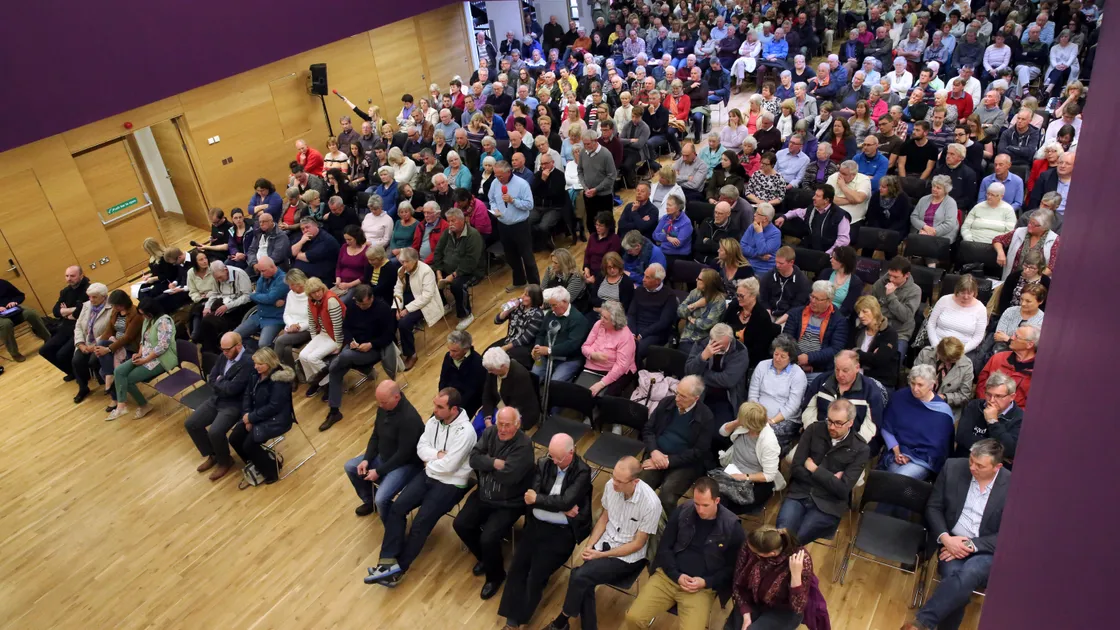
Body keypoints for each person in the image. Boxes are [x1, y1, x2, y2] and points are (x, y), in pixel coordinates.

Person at [365, 388, 476, 588]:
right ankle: (387, 562)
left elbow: (450, 466)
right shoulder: (435, 421)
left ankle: (398, 571)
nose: (434, 410)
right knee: (397, 509)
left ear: (454, 409)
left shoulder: (466, 432)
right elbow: (421, 447)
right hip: (429, 475)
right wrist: (438, 456)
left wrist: (431, 461)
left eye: (440, 407)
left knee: (420, 524)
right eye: (435, 404)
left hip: (451, 483)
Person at [902, 440, 1010, 630]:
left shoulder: (1012, 486)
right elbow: (934, 507)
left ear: (997, 467)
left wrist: (969, 545)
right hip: (950, 543)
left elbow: (1009, 535)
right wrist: (946, 539)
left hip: (987, 551)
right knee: (955, 580)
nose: (972, 468)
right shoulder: (953, 467)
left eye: (980, 465)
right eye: (971, 461)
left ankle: (922, 622)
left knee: (970, 571)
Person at [544, 456, 661, 630]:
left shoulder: (651, 504)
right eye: (613, 476)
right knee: (585, 580)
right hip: (605, 543)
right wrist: (591, 544)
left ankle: (561, 620)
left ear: (635, 482)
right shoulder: (610, 486)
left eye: (620, 481)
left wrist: (601, 555)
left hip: (626, 557)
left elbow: (637, 544)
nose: (614, 483)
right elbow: (604, 518)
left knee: (579, 575)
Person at [621, 477, 744, 630]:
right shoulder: (683, 511)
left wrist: (706, 582)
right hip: (667, 578)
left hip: (700, 589)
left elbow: (732, 568)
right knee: (633, 618)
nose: (700, 510)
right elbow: (665, 547)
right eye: (696, 504)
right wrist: (676, 575)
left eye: (705, 505)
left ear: (717, 500)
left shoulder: (732, 527)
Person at [499, 432, 593, 629]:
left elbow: (563, 500)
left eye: (559, 457)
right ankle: (510, 618)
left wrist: (542, 500)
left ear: (572, 452)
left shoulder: (583, 472)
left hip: (560, 533)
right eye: (552, 456)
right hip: (536, 526)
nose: (555, 461)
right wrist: (560, 506)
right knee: (517, 566)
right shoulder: (544, 463)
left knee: (536, 575)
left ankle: (519, 618)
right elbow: (530, 498)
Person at [452, 406, 535, 601]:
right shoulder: (490, 433)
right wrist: (495, 463)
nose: (503, 429)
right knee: (461, 524)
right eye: (500, 424)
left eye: (507, 425)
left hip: (509, 501)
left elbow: (509, 477)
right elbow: (473, 459)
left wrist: (486, 462)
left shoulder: (524, 445)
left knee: (488, 538)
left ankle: (496, 576)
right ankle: (486, 558)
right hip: (485, 493)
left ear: (517, 424)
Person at [777, 398, 870, 544]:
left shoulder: (860, 448)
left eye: (838, 423)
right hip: (800, 494)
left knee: (796, 541)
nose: (832, 427)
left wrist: (815, 469)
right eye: (830, 421)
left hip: (828, 504)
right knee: (781, 535)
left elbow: (842, 490)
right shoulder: (814, 430)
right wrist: (831, 479)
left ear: (850, 423)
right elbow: (796, 469)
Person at [343, 379, 423, 518]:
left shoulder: (409, 419)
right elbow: (376, 435)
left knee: (382, 499)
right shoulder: (385, 407)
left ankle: (393, 528)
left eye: (383, 402)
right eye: (379, 402)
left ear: (396, 397)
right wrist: (367, 459)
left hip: (405, 465)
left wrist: (379, 471)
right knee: (351, 466)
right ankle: (370, 502)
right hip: (385, 457)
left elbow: (403, 454)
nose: (380, 405)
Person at [321, 283, 395, 430]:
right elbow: (346, 327)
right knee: (336, 369)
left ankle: (323, 371)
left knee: (342, 358)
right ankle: (334, 411)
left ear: (372, 298)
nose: (361, 307)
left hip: (373, 350)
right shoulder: (353, 306)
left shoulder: (383, 309)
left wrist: (371, 344)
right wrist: (351, 341)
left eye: (365, 304)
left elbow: (389, 336)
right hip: (354, 347)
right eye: (359, 304)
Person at [639, 375, 715, 516]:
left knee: (666, 497)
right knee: (640, 487)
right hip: (657, 455)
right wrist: (655, 452)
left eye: (683, 396)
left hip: (684, 464)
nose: (677, 399)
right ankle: (643, 519)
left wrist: (668, 462)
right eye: (677, 393)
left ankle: (672, 526)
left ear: (696, 398)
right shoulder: (666, 403)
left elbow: (699, 452)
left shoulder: (706, 417)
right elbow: (648, 430)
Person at [183, 331, 253, 481]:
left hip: (234, 404)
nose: (224, 353)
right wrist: (221, 383)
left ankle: (225, 461)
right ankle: (214, 454)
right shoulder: (224, 355)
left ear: (239, 346)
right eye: (222, 349)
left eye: (227, 349)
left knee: (215, 432)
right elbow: (211, 378)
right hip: (216, 399)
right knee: (191, 424)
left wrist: (220, 382)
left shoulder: (248, 362)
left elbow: (233, 389)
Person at [728, 525, 820, 630]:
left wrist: (795, 576)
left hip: (782, 611)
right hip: (753, 598)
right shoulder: (751, 544)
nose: (750, 551)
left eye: (755, 553)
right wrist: (746, 613)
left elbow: (798, 606)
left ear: (771, 553)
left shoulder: (801, 560)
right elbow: (737, 581)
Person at [228, 347, 295, 485]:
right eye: (255, 363)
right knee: (234, 438)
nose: (256, 366)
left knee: (249, 445)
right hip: (256, 415)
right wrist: (247, 416)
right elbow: (247, 395)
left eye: (260, 364)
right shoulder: (255, 374)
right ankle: (256, 463)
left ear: (270, 363)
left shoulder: (279, 381)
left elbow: (273, 407)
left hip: (276, 419)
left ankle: (271, 471)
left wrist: (251, 418)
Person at [877, 364, 955, 481]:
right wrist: (896, 450)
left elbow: (939, 447)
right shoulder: (900, 397)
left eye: (920, 385)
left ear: (932, 385)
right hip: (897, 453)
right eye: (913, 383)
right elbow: (887, 426)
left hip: (923, 460)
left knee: (899, 479)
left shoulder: (942, 412)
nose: (915, 388)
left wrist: (910, 457)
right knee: (890, 476)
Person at [106, 297, 178, 420]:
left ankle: (143, 405)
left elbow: (162, 346)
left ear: (151, 312)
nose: (143, 317)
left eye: (144, 314)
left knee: (127, 379)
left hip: (160, 359)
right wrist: (139, 353)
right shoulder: (147, 320)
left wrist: (145, 360)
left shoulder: (164, 321)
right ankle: (121, 406)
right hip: (145, 355)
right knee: (119, 371)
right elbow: (143, 340)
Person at [801, 350, 885, 444]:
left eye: (845, 370)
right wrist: (815, 435)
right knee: (792, 458)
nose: (840, 375)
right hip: (818, 439)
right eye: (837, 369)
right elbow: (808, 410)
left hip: (853, 444)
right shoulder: (821, 381)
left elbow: (872, 424)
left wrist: (853, 445)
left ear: (857, 368)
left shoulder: (870, 389)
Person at [489, 160, 541, 291]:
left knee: (527, 257)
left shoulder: (522, 184)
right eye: (496, 175)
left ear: (508, 172)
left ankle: (535, 286)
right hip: (503, 224)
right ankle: (519, 281)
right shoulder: (495, 183)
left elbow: (529, 205)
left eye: (500, 175)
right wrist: (495, 209)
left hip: (520, 226)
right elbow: (492, 199)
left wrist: (513, 201)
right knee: (511, 256)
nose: (497, 178)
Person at [392, 247, 444, 371]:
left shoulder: (426, 271)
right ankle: (394, 349)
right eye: (402, 261)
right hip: (410, 299)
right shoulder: (402, 270)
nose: (403, 264)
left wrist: (407, 309)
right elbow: (398, 289)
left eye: (406, 262)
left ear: (415, 260)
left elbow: (427, 297)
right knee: (390, 316)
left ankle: (411, 354)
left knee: (404, 323)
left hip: (426, 304)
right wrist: (398, 308)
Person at [954, 370, 1021, 463]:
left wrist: (992, 421)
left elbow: (1010, 450)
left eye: (998, 396)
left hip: (994, 470)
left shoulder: (1020, 418)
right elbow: (962, 437)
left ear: (1012, 397)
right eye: (988, 394)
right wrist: (997, 452)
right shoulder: (974, 406)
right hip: (965, 461)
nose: (992, 400)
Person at [782, 280, 848, 374]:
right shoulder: (796, 314)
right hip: (792, 362)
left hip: (819, 369)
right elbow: (786, 339)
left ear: (829, 301)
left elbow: (835, 349)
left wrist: (809, 358)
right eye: (812, 296)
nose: (813, 301)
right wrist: (798, 359)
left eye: (818, 299)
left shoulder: (839, 321)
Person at [30, 266, 87, 370]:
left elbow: (83, 310)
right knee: (44, 350)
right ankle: (70, 372)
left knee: (62, 354)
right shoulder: (65, 291)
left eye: (72, 276)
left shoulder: (88, 289)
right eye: (67, 276)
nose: (69, 279)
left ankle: (80, 372)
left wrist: (66, 311)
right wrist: (71, 311)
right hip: (65, 327)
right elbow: (56, 311)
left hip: (81, 327)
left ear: (81, 276)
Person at [530, 286, 591, 383]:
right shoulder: (550, 314)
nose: (552, 309)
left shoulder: (578, 320)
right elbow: (541, 334)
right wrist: (537, 347)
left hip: (568, 359)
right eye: (551, 305)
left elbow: (572, 345)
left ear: (565, 302)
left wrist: (549, 350)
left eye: (555, 305)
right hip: (546, 355)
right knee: (533, 379)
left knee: (555, 384)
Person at [192, 260, 253, 354]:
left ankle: (210, 348)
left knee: (208, 321)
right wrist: (207, 307)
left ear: (225, 270)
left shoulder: (240, 274)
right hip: (224, 302)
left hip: (238, 307)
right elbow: (214, 293)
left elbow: (247, 297)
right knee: (200, 311)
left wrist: (228, 306)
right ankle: (209, 344)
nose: (219, 280)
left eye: (220, 277)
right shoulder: (217, 277)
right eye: (217, 279)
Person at [477, 347, 540, 436]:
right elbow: (487, 394)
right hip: (498, 406)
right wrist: (487, 418)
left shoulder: (520, 376)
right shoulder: (492, 370)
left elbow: (516, 407)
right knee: (478, 427)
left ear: (503, 366)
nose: (489, 372)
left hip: (517, 413)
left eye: (491, 369)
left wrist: (498, 421)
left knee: (494, 435)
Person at [580, 301, 637, 397]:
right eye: (601, 315)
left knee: (602, 398)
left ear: (615, 321)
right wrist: (593, 355)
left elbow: (621, 366)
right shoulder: (598, 325)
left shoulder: (625, 336)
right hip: (592, 367)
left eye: (605, 318)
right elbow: (585, 346)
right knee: (579, 393)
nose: (601, 320)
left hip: (614, 372)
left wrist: (601, 383)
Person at [298, 277, 345, 395]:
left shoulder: (331, 300)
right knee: (302, 355)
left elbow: (338, 325)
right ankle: (316, 381)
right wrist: (314, 339)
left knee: (313, 358)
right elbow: (311, 321)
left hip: (335, 336)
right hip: (323, 334)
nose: (317, 294)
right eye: (313, 292)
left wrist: (339, 345)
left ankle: (329, 384)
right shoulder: (311, 301)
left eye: (319, 290)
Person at [774, 184, 853, 254]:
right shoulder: (812, 209)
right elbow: (797, 212)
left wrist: (828, 254)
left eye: (818, 196)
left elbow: (843, 240)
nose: (813, 198)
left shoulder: (840, 216)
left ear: (826, 200)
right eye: (815, 194)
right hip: (810, 246)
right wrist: (783, 217)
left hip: (828, 251)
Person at [68, 282, 112, 403]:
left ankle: (107, 383)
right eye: (89, 297)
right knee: (76, 361)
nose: (91, 300)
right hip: (85, 343)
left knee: (93, 360)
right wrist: (80, 343)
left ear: (103, 297)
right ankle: (83, 388)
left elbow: (109, 330)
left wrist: (94, 345)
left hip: (101, 343)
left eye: (94, 297)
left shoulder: (111, 308)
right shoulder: (86, 306)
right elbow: (78, 326)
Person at [977, 325, 1038, 410]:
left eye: (1016, 336)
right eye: (1013, 334)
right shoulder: (998, 358)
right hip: (986, 407)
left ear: (1029, 344)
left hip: (1015, 419)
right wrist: (988, 405)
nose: (1011, 338)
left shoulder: (1040, 373)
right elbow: (982, 385)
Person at [926, 274, 988, 355]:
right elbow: (931, 324)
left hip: (963, 351)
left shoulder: (981, 309)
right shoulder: (944, 300)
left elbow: (978, 337)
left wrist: (960, 352)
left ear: (974, 292)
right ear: (957, 290)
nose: (966, 297)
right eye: (962, 293)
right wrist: (936, 346)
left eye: (969, 293)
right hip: (938, 346)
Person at [626, 263, 677, 362]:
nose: (643, 279)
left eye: (647, 277)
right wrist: (632, 333)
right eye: (644, 275)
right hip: (635, 328)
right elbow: (631, 314)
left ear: (657, 281)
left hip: (654, 332)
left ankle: (634, 374)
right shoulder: (639, 291)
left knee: (636, 350)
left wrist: (642, 334)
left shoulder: (669, 295)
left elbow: (663, 322)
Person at [915, 336, 975, 418]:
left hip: (945, 408)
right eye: (949, 360)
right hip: (920, 400)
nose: (950, 363)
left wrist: (944, 397)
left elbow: (964, 396)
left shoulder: (966, 365)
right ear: (939, 353)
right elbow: (913, 379)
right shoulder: (926, 354)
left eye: (955, 360)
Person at [993, 208, 1060, 281]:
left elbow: (1051, 267)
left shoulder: (1054, 240)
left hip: (1035, 283)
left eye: (1034, 224)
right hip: (1012, 278)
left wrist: (1032, 277)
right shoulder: (1019, 232)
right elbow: (998, 240)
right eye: (1030, 222)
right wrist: (1000, 253)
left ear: (1044, 227)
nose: (1029, 225)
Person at [676, 268, 727, 356]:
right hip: (688, 337)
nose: (696, 280)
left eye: (699, 279)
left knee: (692, 360)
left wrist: (691, 319)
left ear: (707, 283)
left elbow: (706, 325)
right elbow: (680, 312)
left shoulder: (719, 301)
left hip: (705, 341)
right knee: (681, 357)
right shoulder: (695, 292)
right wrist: (694, 305)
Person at [852, 295, 900, 388]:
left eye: (865, 311)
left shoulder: (889, 333)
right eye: (859, 312)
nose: (860, 316)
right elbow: (848, 353)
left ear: (875, 311)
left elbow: (880, 360)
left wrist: (857, 352)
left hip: (880, 382)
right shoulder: (858, 330)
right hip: (856, 378)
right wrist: (871, 357)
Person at [438, 330, 486, 418]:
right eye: (449, 350)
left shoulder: (478, 363)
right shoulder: (448, 357)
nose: (451, 354)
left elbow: (471, 392)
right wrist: (442, 398)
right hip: (449, 400)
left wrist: (453, 408)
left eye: (455, 351)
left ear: (466, 349)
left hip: (467, 404)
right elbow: (443, 380)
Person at [759, 247, 812, 325]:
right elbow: (763, 299)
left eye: (781, 263)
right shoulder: (769, 276)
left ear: (791, 262)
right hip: (769, 312)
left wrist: (776, 324)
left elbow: (796, 308)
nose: (777, 265)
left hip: (787, 316)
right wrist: (767, 315)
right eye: (776, 262)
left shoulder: (802, 282)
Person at [911, 174, 961, 244]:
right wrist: (924, 227)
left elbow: (949, 224)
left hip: (941, 236)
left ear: (946, 190)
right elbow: (914, 216)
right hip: (921, 232)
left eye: (938, 188)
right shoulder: (924, 199)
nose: (934, 189)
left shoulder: (951, 203)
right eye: (933, 186)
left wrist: (932, 232)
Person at [291, 217, 341, 284]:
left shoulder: (327, 240)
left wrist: (297, 254)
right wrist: (301, 242)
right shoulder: (304, 237)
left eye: (307, 227)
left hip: (321, 279)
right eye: (302, 229)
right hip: (302, 277)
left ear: (316, 226)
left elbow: (308, 258)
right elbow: (292, 252)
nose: (305, 230)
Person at [819, 245, 864, 316]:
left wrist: (829, 315)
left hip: (838, 317)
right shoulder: (826, 273)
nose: (831, 260)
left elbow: (847, 309)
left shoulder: (856, 283)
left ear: (843, 263)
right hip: (819, 311)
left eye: (834, 258)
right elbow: (816, 294)